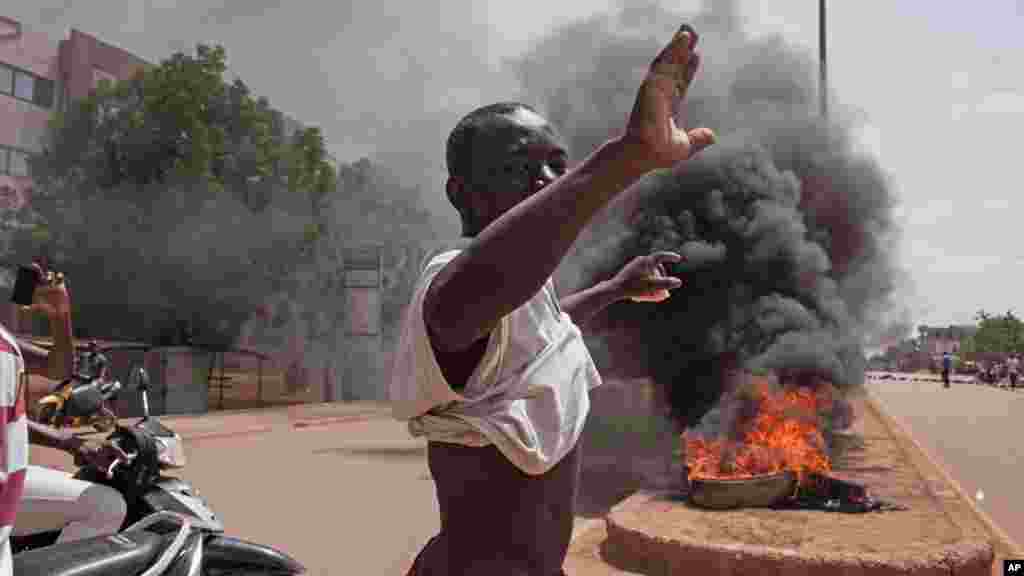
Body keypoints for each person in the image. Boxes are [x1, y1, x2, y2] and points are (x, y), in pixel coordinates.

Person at [391, 24, 715, 575]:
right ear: (460, 193)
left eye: (556, 165)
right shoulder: (452, 282)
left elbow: (548, 328)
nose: (545, 180)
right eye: (519, 167)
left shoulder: (519, 295)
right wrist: (625, 158)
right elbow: (465, 301)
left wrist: (614, 289)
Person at [0, 263, 127, 573]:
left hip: (10, 484)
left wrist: (60, 316)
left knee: (104, 505)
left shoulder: (4, 341)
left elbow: (58, 368)